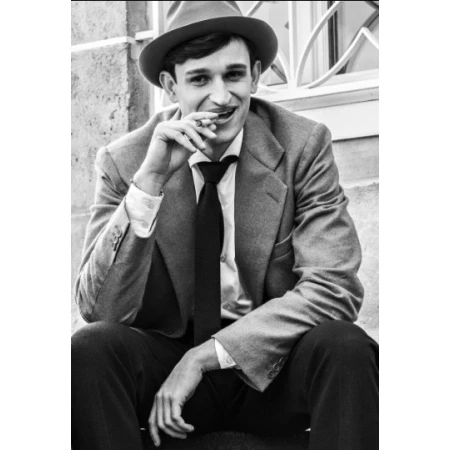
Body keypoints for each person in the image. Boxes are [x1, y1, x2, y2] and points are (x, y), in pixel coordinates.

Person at [71, 2, 379, 449]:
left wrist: (204, 357)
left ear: (255, 76)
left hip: (269, 365)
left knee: (345, 344)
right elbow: (100, 310)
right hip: (166, 374)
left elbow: (334, 288)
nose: (221, 97)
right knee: (90, 349)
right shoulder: (126, 161)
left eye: (233, 75)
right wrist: (150, 183)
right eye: (199, 79)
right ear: (170, 86)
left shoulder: (302, 146)